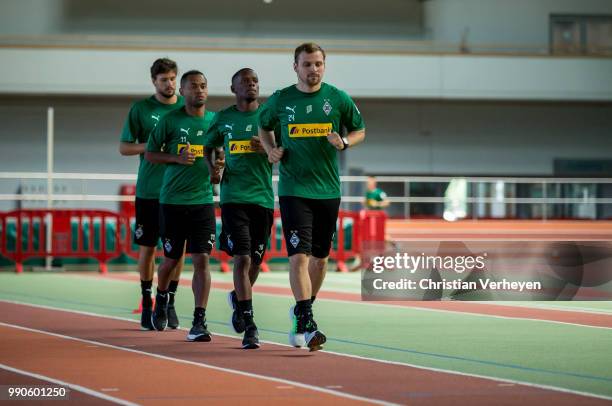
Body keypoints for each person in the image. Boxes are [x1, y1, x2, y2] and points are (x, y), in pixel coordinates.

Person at [258, 43, 366, 351]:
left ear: (324, 66)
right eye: (307, 64)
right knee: (299, 257)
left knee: (321, 259)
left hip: (328, 190)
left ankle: (302, 309)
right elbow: (263, 126)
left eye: (318, 64)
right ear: (295, 67)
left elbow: (360, 130)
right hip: (294, 190)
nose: (313, 69)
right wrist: (270, 149)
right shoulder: (281, 99)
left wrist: (344, 141)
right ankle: (306, 320)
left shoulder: (337, 98)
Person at [145, 70, 219, 342]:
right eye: (193, 87)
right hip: (173, 202)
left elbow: (220, 155)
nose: (199, 91)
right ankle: (160, 299)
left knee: (202, 260)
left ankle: (199, 319)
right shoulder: (170, 120)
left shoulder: (215, 121)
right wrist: (175, 157)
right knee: (171, 260)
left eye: (203, 86)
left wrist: (219, 168)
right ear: (183, 91)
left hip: (202, 201)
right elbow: (151, 154)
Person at [204, 68, 273, 350]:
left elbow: (283, 150)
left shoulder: (269, 117)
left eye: (255, 81)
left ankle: (238, 298)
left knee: (255, 262)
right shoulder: (224, 118)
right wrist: (212, 170)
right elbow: (208, 146)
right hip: (233, 198)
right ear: (234, 88)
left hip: (263, 198)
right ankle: (250, 324)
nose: (251, 85)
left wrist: (267, 149)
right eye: (245, 82)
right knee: (242, 259)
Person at [119, 58, 185, 331]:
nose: (169, 84)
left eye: (172, 78)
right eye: (163, 80)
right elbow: (124, 147)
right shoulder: (141, 109)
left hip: (180, 192)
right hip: (149, 190)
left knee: (177, 251)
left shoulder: (186, 107)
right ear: (154, 82)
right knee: (148, 248)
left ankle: (168, 301)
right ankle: (147, 301)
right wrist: (151, 145)